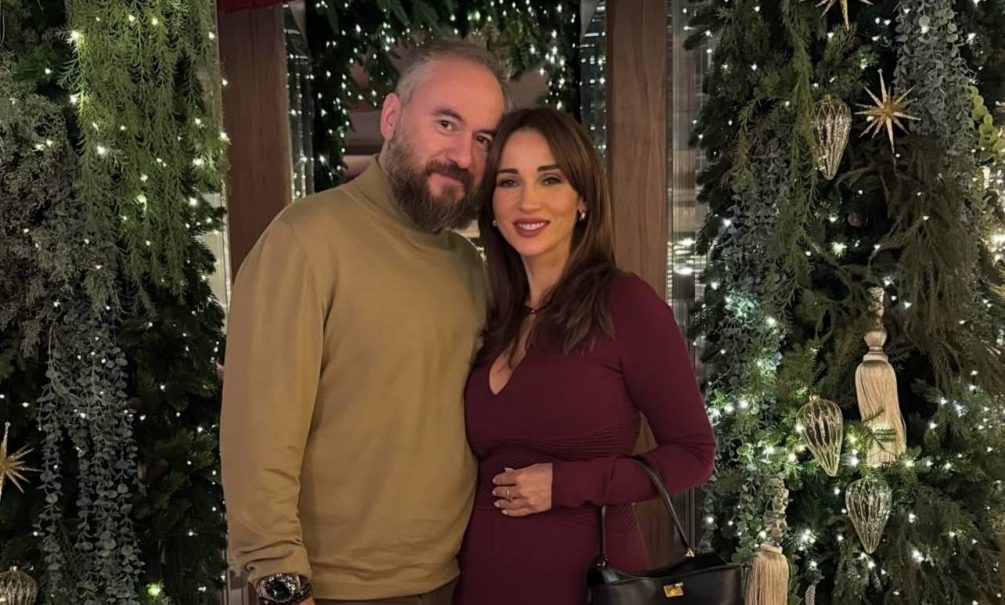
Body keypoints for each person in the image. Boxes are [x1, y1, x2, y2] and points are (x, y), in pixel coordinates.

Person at [219, 39, 508, 605]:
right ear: (392, 116)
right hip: (331, 589)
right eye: (446, 123)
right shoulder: (305, 241)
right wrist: (283, 583)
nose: (463, 155)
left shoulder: (469, 267)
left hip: (450, 579)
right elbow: (258, 437)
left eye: (482, 139)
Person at [454, 107, 716, 605]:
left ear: (583, 200)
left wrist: (567, 483)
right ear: (491, 204)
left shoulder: (626, 305)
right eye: (509, 182)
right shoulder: (497, 317)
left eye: (550, 179)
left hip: (585, 586)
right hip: (482, 583)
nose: (527, 200)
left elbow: (695, 454)